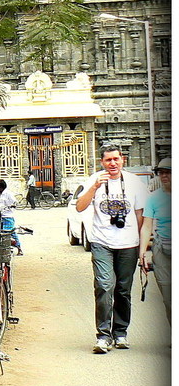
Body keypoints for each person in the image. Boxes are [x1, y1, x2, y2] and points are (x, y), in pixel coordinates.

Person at [75, 144, 149, 353]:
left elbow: (140, 216)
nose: (112, 164)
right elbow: (80, 207)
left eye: (116, 159)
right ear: (102, 162)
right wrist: (94, 188)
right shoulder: (95, 180)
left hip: (128, 244)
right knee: (104, 286)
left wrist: (142, 247)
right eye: (108, 160)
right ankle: (103, 335)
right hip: (102, 242)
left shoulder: (133, 183)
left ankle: (120, 332)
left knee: (123, 290)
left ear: (122, 159)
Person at [139, 158, 171, 325]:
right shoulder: (153, 198)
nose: (164, 176)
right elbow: (146, 227)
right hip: (162, 249)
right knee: (168, 297)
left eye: (168, 172)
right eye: (161, 172)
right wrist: (142, 254)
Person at [0, 179, 22, 255]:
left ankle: (19, 248)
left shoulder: (8, 194)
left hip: (7, 216)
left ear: (1, 187)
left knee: (9, 232)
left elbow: (15, 202)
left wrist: (12, 206)